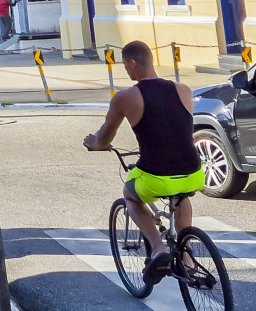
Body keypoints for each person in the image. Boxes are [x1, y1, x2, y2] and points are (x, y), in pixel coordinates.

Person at [82, 40, 201, 285]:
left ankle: (159, 248)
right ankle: (186, 254)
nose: (126, 71)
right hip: (194, 172)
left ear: (133, 64)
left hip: (156, 175)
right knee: (181, 196)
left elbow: (105, 136)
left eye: (125, 66)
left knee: (130, 195)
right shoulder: (183, 89)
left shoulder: (125, 97)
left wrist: (94, 143)